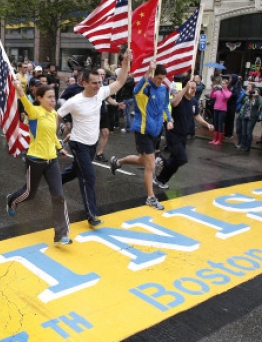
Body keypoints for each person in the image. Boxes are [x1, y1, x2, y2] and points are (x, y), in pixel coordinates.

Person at [59, 49, 131, 225]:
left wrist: (126, 62)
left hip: (92, 143)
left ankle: (54, 180)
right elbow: (57, 116)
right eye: (94, 83)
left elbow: (121, 81)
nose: (99, 86)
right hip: (78, 144)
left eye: (100, 82)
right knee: (89, 177)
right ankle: (91, 215)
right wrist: (56, 141)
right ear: (84, 83)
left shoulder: (101, 93)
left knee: (77, 170)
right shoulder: (74, 101)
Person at [7, 81, 71, 245]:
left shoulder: (52, 113)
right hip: (35, 160)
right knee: (30, 193)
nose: (53, 100)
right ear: (39, 98)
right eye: (49, 97)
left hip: (52, 161)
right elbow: (25, 102)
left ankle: (61, 235)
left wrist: (59, 147)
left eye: (54, 97)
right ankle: (12, 201)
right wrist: (20, 90)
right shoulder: (35, 112)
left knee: (58, 196)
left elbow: (52, 135)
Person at [109, 63, 170, 211]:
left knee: (144, 160)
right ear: (153, 76)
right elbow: (136, 90)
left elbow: (165, 106)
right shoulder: (145, 88)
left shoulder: (163, 89)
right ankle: (150, 198)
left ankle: (118, 162)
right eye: (158, 78)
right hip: (143, 130)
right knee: (151, 165)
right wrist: (148, 72)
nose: (160, 81)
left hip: (156, 130)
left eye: (163, 79)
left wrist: (169, 119)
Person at [151, 80, 213, 189]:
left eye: (195, 87)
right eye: (192, 88)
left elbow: (197, 116)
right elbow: (174, 102)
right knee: (182, 159)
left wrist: (206, 124)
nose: (195, 90)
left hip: (183, 135)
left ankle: (160, 179)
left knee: (176, 161)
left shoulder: (193, 102)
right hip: (173, 133)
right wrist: (185, 88)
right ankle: (160, 161)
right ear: (187, 88)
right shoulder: (180, 98)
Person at [208, 77, 232, 145]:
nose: (223, 85)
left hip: (223, 110)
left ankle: (219, 140)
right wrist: (213, 89)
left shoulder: (228, 92)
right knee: (215, 124)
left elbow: (226, 97)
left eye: (224, 84)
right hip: (216, 109)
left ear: (227, 85)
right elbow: (211, 96)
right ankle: (215, 139)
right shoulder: (218, 91)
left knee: (220, 124)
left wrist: (223, 89)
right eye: (222, 84)